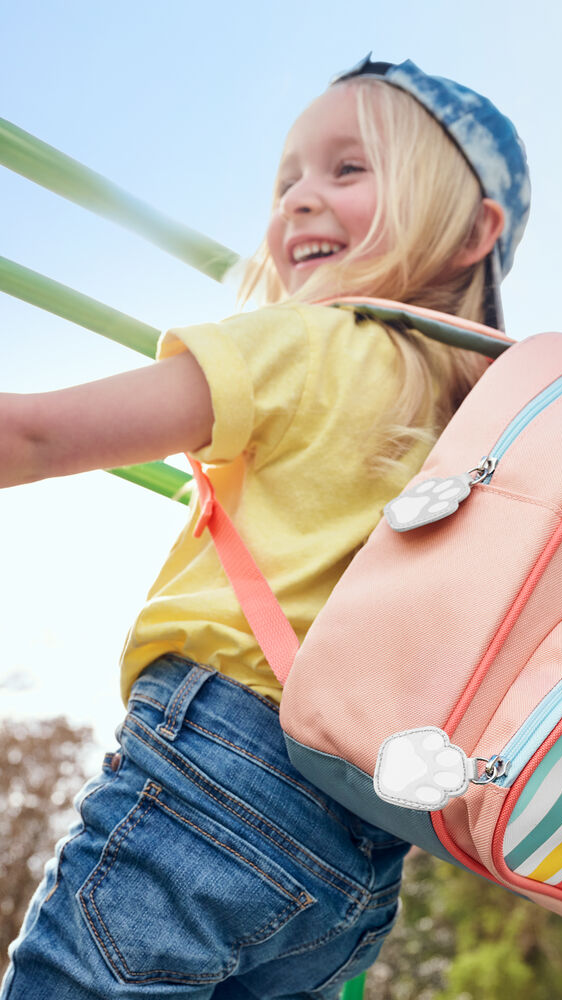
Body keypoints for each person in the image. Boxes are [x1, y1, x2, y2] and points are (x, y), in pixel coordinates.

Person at [0, 57, 530, 999]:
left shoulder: (310, 342)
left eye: (347, 170)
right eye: (286, 180)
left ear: (471, 231)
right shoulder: (491, 436)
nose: (299, 201)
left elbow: (31, 435)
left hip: (213, 778)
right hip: (358, 860)